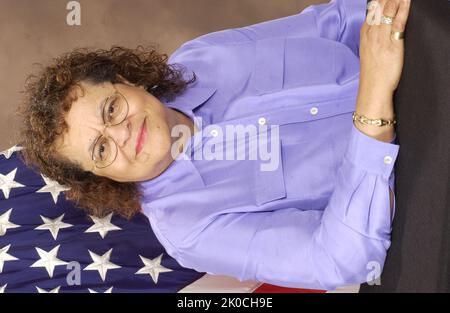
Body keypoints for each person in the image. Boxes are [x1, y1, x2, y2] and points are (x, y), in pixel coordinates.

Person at [16, 0, 411, 290]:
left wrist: (393, 13)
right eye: (101, 149)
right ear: (100, 179)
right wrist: (374, 106)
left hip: (418, 52)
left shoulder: (199, 56)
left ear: (126, 81)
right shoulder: (189, 231)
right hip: (421, 173)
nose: (120, 133)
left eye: (111, 108)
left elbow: (336, 22)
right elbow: (339, 258)